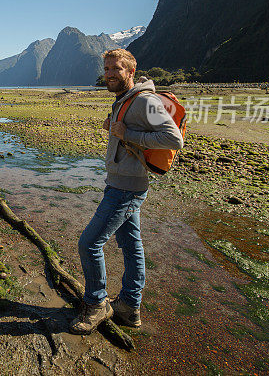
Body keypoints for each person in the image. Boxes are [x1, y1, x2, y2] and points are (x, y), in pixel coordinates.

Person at [69, 48, 183, 334]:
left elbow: (174, 139)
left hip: (126, 189)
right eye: (106, 68)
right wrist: (116, 127)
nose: (109, 74)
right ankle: (129, 308)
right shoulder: (123, 100)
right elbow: (125, 132)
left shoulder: (145, 100)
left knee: (88, 244)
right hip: (120, 182)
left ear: (131, 72)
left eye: (116, 69)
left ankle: (97, 304)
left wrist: (126, 133)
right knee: (131, 246)